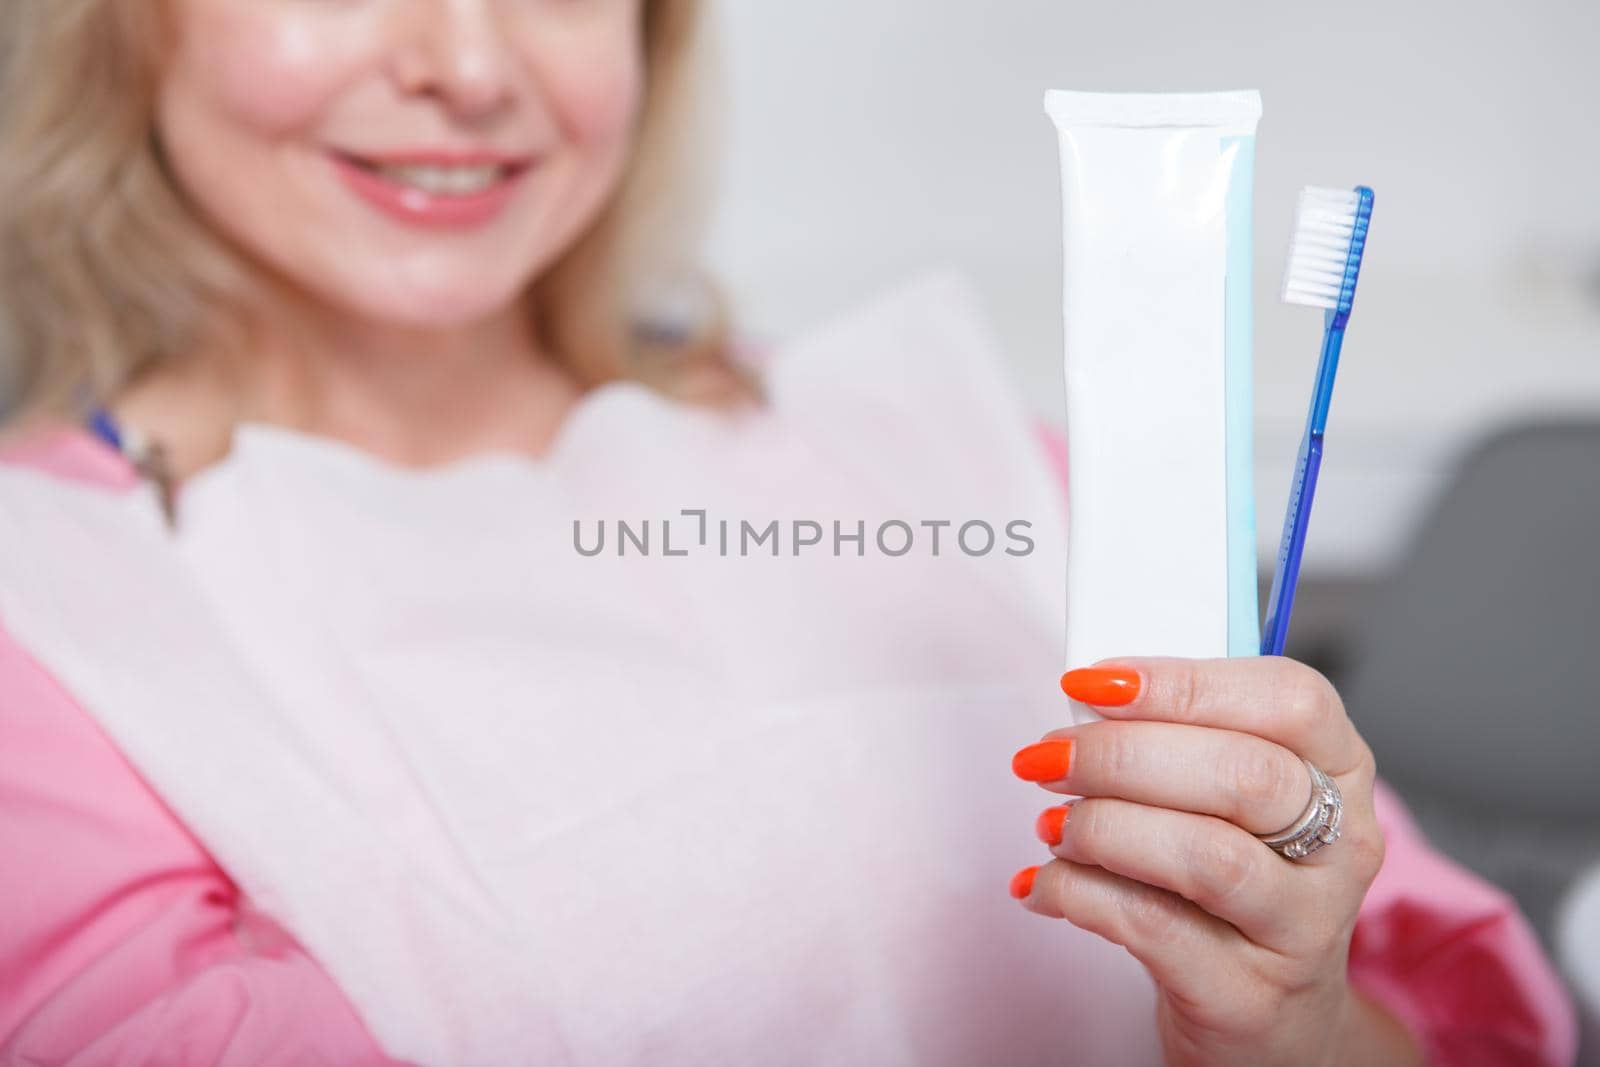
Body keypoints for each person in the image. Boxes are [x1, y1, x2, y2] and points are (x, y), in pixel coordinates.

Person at [0, 2, 1576, 1064]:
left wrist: (1287, 1023)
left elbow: (1451, 1021)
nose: (470, 66)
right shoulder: (52, 627)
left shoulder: (947, 438)